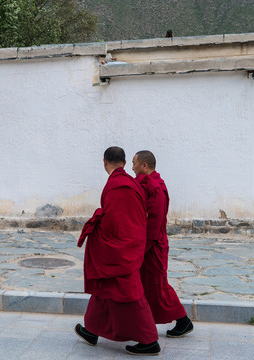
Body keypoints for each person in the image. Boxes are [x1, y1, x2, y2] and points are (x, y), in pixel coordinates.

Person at [75, 146, 160, 356]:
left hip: (123, 249)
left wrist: (97, 225)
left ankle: (150, 341)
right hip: (130, 243)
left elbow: (116, 224)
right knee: (103, 289)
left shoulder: (117, 186)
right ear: (123, 162)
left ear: (104, 162)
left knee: (131, 294)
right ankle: (91, 330)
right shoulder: (127, 182)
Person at [132, 150, 193, 337]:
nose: (132, 167)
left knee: (158, 286)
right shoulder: (148, 184)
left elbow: (154, 222)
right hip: (148, 244)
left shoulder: (155, 187)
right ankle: (141, 323)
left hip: (153, 246)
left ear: (144, 166)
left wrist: (142, 249)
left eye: (134, 163)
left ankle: (183, 321)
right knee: (148, 286)